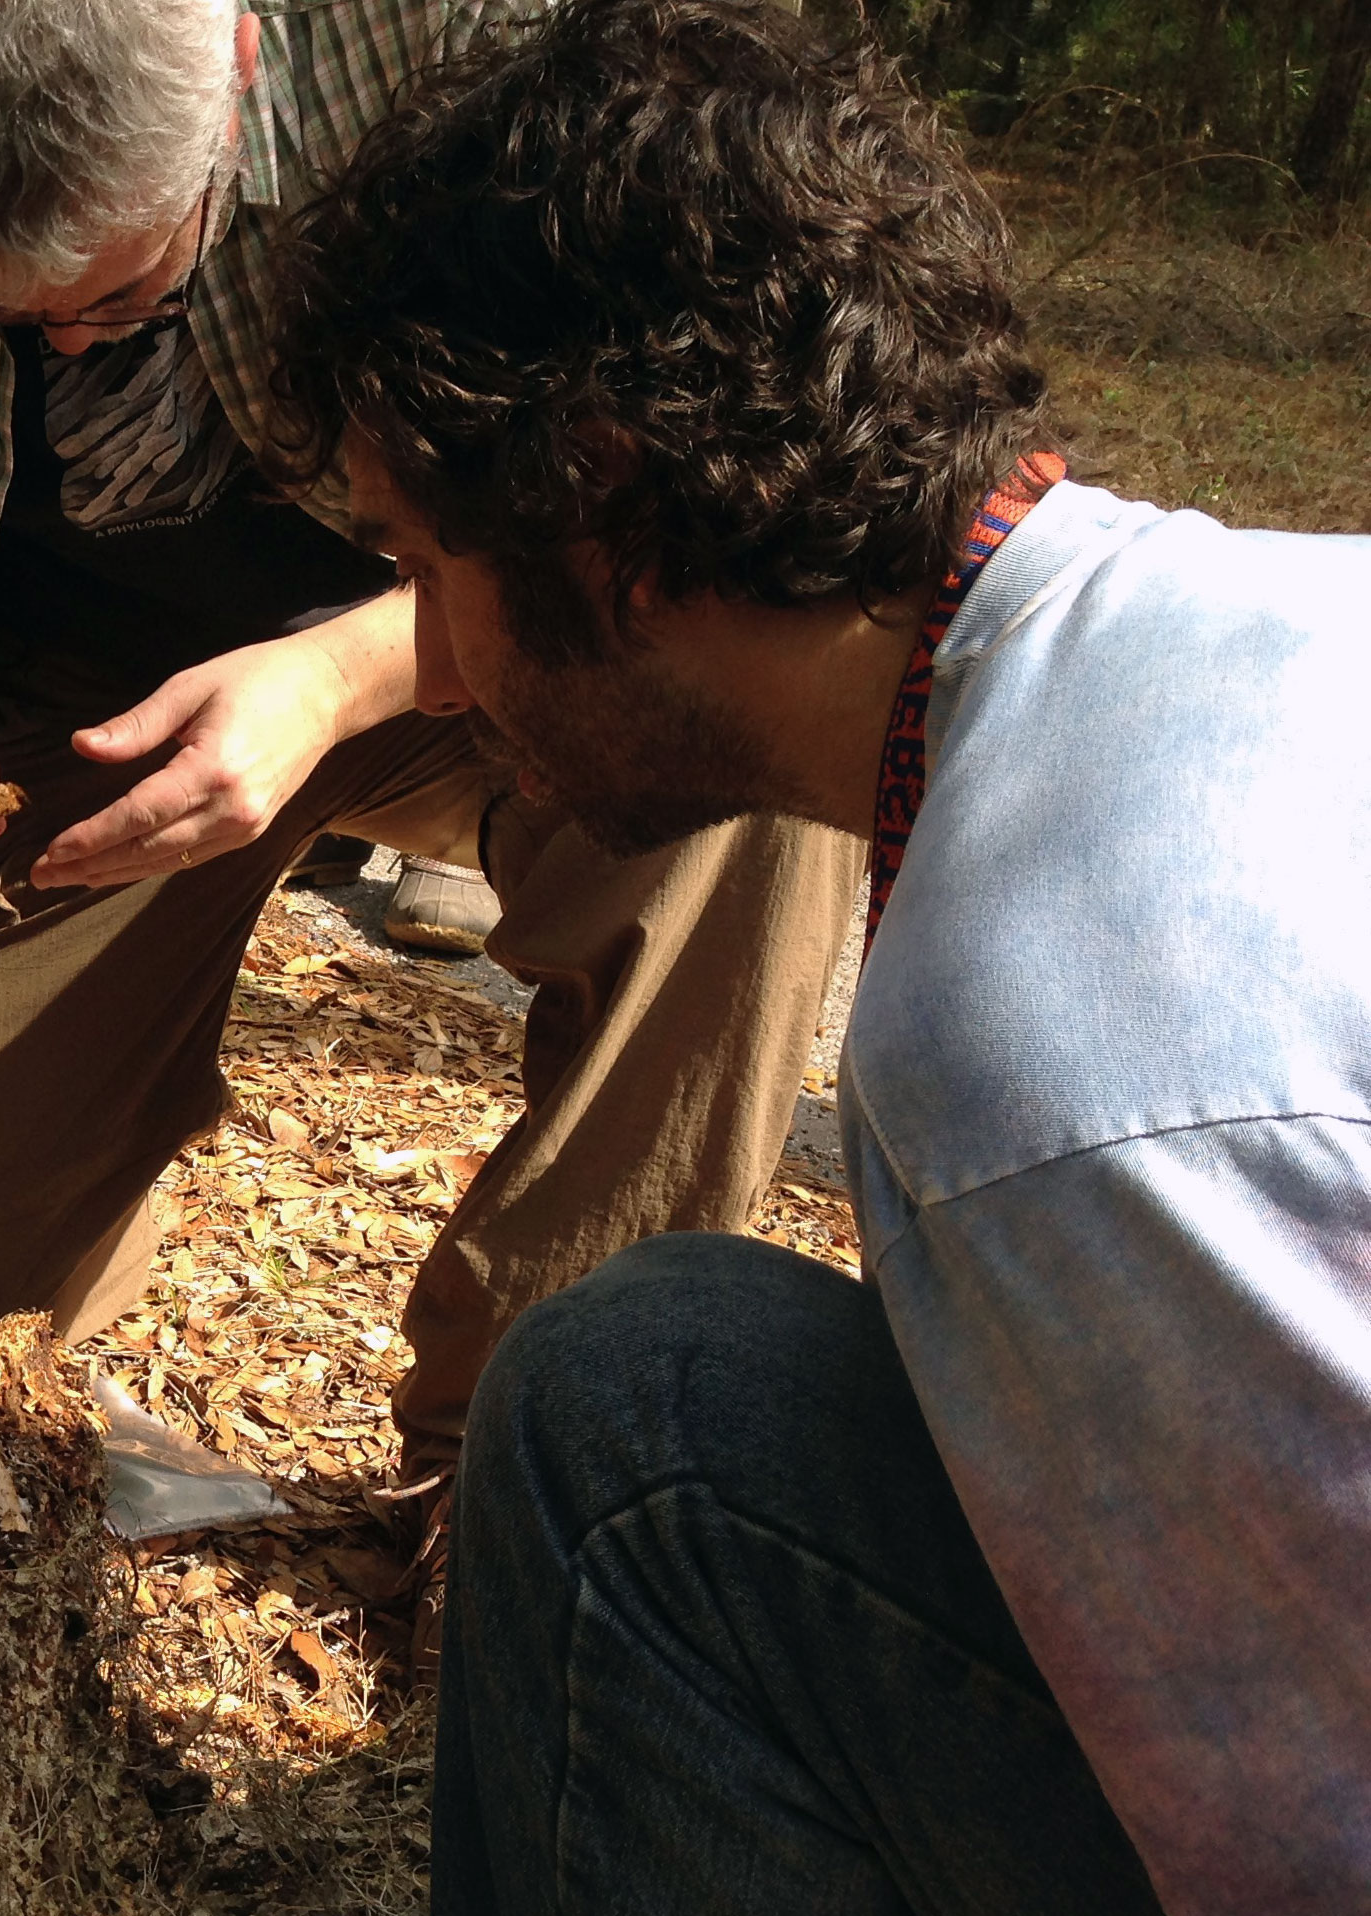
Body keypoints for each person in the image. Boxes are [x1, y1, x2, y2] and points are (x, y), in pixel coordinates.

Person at [270, 0, 1371, 1905]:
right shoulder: (1262, 616)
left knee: (637, 1462)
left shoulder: (1055, 1059)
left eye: (419, 562)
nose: (424, 651)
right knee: (646, 1389)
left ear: (600, 503)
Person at [0, 0, 863, 1579]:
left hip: (488, 640)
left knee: (739, 789)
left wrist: (327, 681)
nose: (65, 347)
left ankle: (512, 1471)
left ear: (239, 86)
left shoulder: (469, 48)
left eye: (116, 296)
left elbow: (681, 524)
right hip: (87, 706)